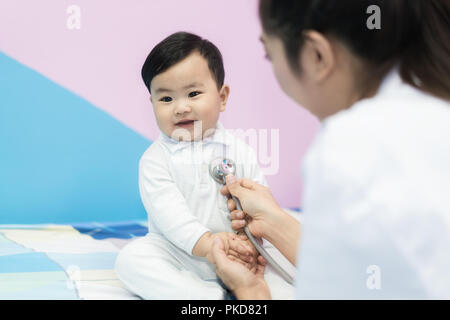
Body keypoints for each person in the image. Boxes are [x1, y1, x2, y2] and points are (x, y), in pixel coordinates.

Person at [213, 0, 450, 299]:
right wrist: (277, 223)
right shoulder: (427, 107)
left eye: (269, 54)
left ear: (316, 54)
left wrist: (251, 294)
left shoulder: (351, 145)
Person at [114, 32, 294, 300]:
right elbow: (170, 216)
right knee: (132, 260)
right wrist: (209, 245)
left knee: (287, 260)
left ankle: (260, 290)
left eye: (193, 93)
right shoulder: (155, 160)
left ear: (222, 97)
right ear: (151, 103)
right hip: (182, 254)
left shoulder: (239, 150)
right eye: (166, 99)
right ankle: (206, 296)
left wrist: (249, 245)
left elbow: (261, 207)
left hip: (242, 253)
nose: (181, 107)